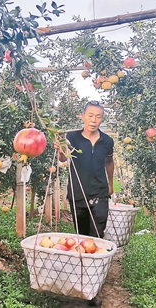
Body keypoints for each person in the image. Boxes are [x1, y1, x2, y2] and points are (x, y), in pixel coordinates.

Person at [55, 100, 115, 239]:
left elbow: (109, 161)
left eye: (98, 116)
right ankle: (85, 260)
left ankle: (97, 259)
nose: (94, 120)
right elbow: (63, 159)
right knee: (81, 235)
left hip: (100, 192)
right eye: (90, 115)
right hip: (77, 194)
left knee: (97, 234)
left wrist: (110, 184)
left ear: (102, 119)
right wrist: (60, 149)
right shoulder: (72, 137)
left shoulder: (107, 141)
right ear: (83, 116)